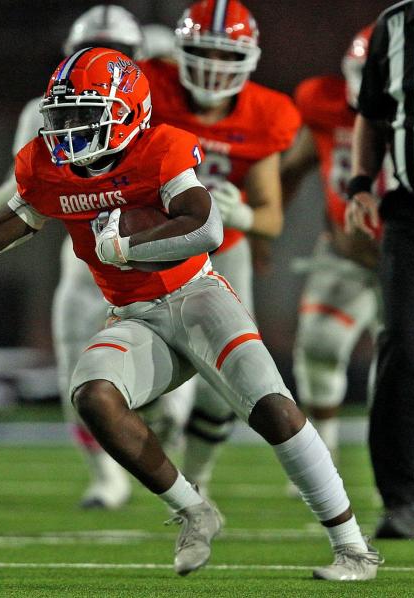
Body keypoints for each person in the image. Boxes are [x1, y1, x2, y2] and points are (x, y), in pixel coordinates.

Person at [0, 47, 382, 581]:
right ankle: (194, 510)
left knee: (273, 410)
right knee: (94, 398)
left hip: (197, 297)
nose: (68, 130)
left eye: (83, 115)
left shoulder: (160, 149)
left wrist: (129, 249)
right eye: (64, 115)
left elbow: (206, 227)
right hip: (134, 314)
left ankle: (354, 550)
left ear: (126, 113)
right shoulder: (48, 168)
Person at [0, 3, 148, 510]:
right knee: (78, 378)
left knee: (170, 395)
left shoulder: (159, 108)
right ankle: (106, 477)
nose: (103, 62)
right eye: (91, 51)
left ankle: (165, 462)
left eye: (117, 54)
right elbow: (28, 181)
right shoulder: (44, 111)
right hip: (85, 262)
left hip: (149, 263)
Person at [132, 0, 301, 496]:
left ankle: (198, 477)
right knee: (152, 359)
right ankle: (159, 416)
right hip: (155, 247)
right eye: (202, 51)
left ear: (248, 60)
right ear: (178, 50)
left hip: (223, 252)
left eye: (225, 55)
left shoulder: (267, 113)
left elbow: (270, 217)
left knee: (227, 381)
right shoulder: (150, 87)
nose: (211, 66)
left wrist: (244, 214)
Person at [345, 0, 414, 540]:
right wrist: (361, 182)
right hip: (413, 216)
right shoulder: (393, 26)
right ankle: (407, 501)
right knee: (408, 351)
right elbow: (372, 112)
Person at [280, 25, 391, 463]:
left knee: (399, 370)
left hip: (410, 260)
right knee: (321, 347)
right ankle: (320, 457)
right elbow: (295, 166)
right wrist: (263, 232)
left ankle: (394, 464)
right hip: (345, 254)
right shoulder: (323, 105)